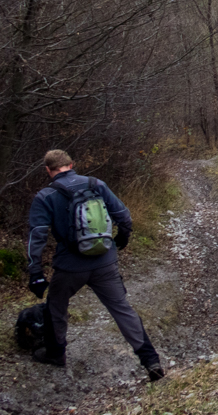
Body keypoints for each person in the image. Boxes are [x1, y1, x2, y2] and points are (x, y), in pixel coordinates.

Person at [26, 149, 165, 381]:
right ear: (72, 164)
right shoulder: (96, 184)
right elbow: (123, 214)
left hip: (70, 267)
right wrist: (123, 236)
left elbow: (37, 235)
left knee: (56, 307)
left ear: (48, 170)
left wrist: (35, 272)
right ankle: (151, 360)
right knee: (122, 309)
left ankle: (56, 354)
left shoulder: (45, 196)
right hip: (105, 262)